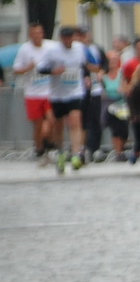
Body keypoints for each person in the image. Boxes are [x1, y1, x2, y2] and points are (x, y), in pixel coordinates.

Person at [37, 25, 94, 172]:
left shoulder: (80, 48)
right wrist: (53, 71)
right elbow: (41, 68)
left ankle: (76, 154)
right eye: (65, 37)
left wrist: (87, 76)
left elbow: (85, 64)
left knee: (76, 121)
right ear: (61, 38)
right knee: (58, 125)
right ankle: (61, 152)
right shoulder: (52, 51)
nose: (68, 40)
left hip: (75, 91)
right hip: (58, 93)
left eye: (70, 37)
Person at [13, 22, 52, 161]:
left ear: (43, 33)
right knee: (38, 125)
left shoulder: (50, 46)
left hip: (49, 91)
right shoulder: (25, 49)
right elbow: (16, 70)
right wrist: (28, 67)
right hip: (33, 93)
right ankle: (40, 148)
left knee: (51, 119)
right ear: (30, 35)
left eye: (39, 33)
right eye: (34, 33)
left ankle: (47, 144)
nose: (37, 36)